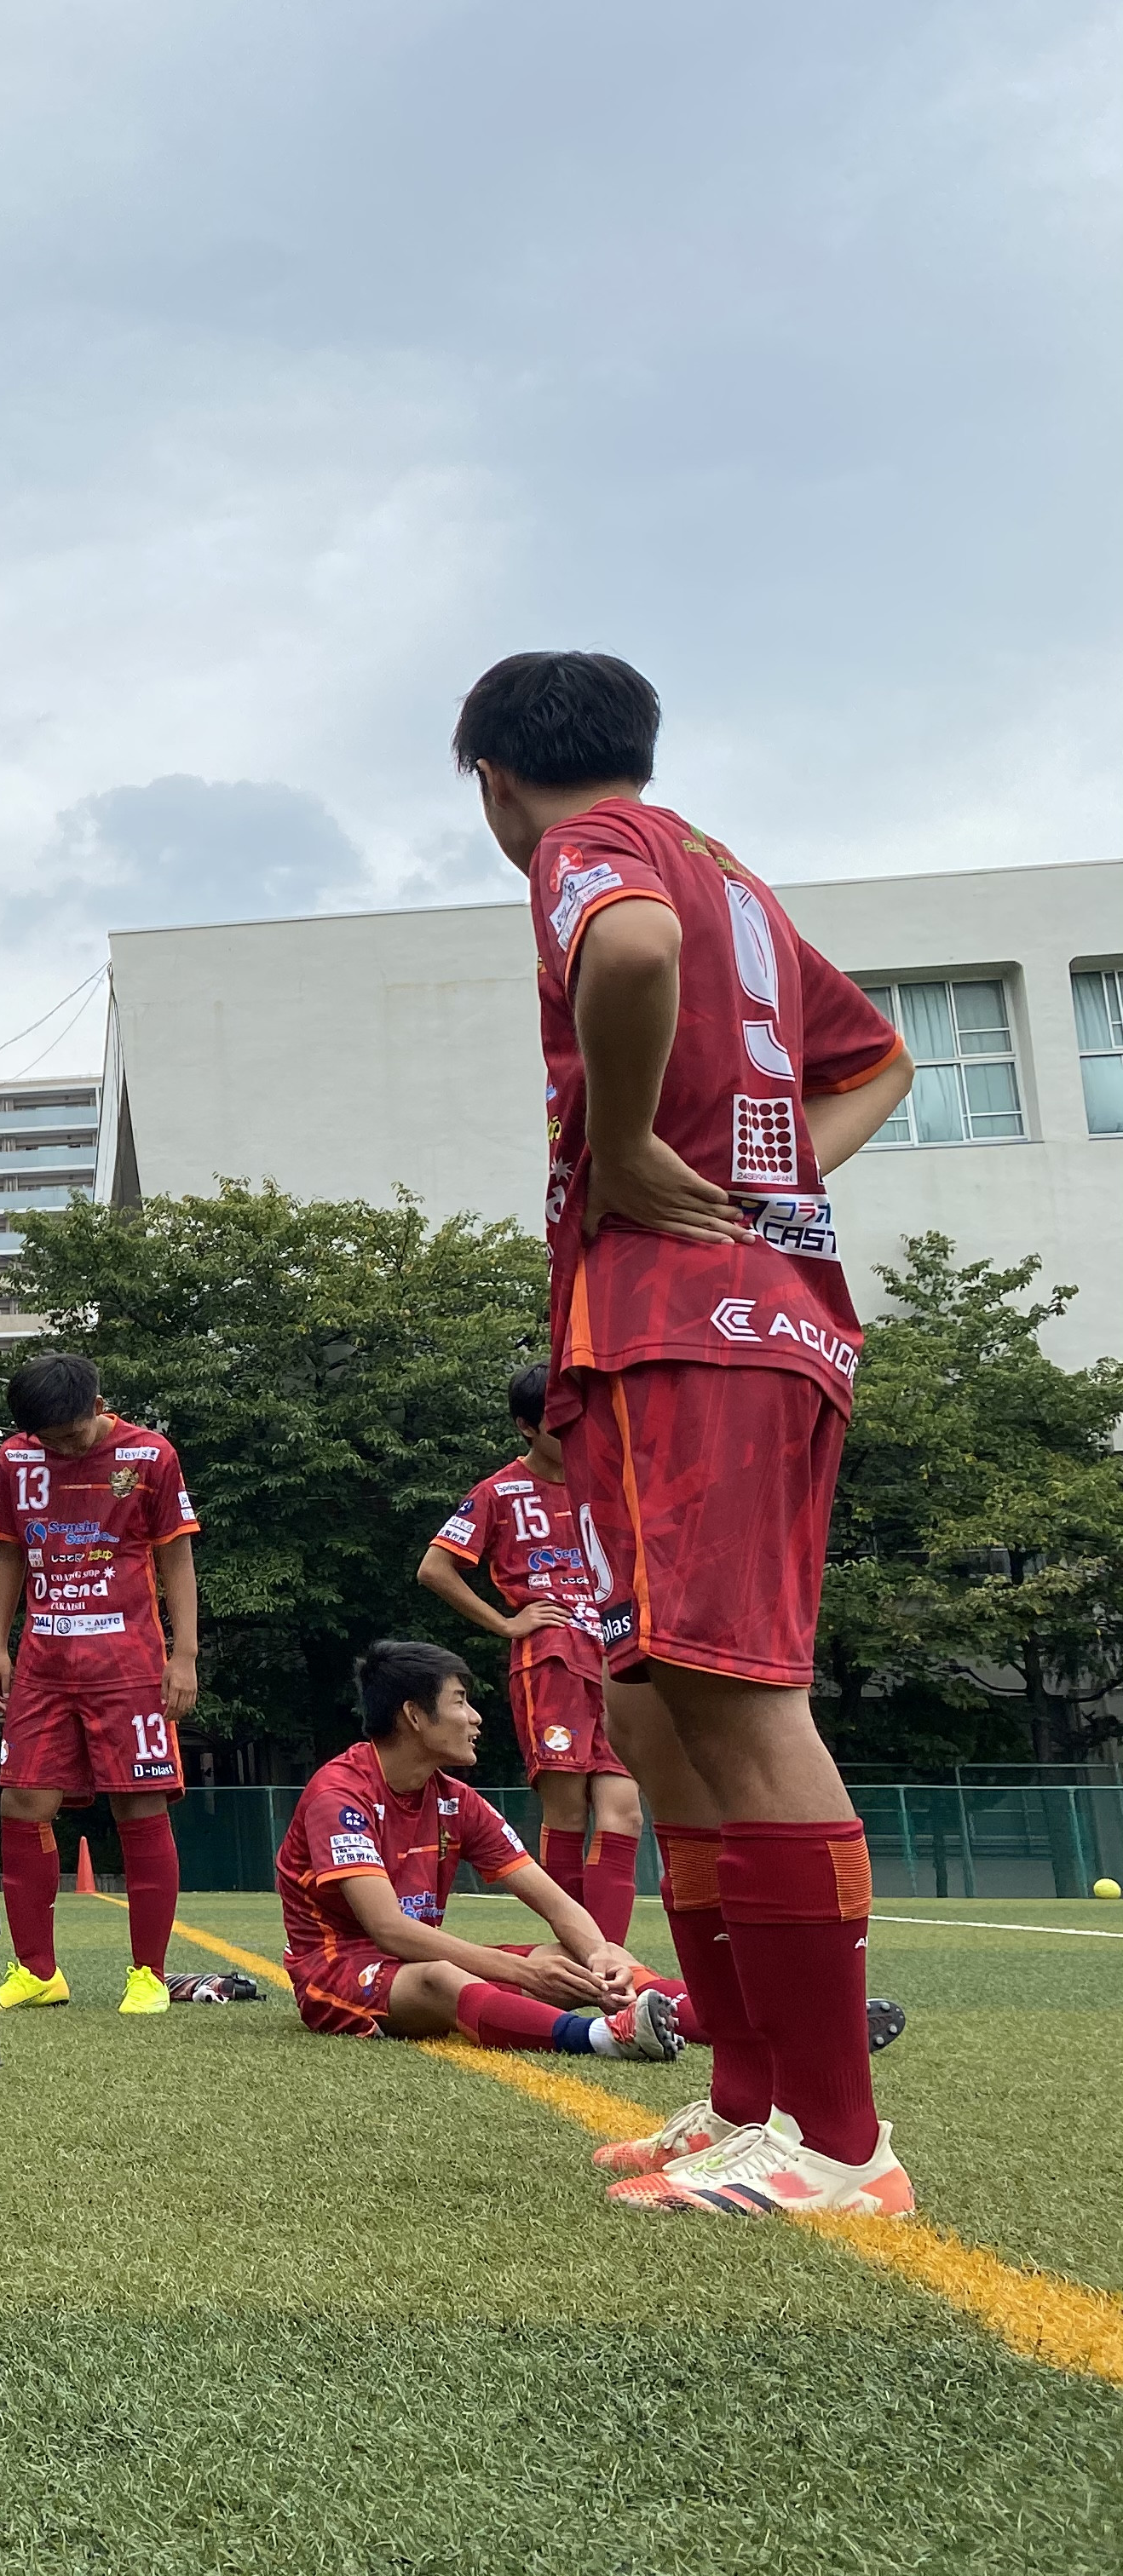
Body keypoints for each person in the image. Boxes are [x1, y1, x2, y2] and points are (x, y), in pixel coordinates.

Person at [461, 651, 916, 2217]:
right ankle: (746, 2099)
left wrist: (646, 1151)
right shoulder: (730, 871)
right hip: (734, 1315)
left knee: (728, 1691)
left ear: (491, 782)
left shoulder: (594, 855)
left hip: (688, 1323)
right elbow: (877, 1061)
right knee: (654, 1708)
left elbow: (633, 953)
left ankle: (843, 2144)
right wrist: (773, 1200)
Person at [277, 1641, 686, 2061]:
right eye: (460, 1701)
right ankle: (603, 2036)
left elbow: (555, 1902)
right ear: (414, 1716)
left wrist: (599, 1954)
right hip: (337, 1971)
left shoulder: (456, 1799)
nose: (475, 1717)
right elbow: (389, 1929)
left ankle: (712, 2019)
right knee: (441, 1977)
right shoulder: (340, 1795)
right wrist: (521, 1971)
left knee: (586, 1956)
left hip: (416, 1959)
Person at [0, 1352, 200, 2015]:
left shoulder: (151, 1456)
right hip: (44, 1662)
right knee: (22, 1803)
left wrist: (183, 1655)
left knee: (139, 1804)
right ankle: (39, 1971)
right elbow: (8, 1550)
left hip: (129, 1662)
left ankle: (149, 1976)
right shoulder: (16, 1460)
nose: (61, 1446)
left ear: (98, 1405)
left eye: (71, 1432)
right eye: (47, 1436)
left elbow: (177, 1553)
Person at [418, 1363, 640, 1941]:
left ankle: (610, 1962)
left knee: (626, 1814)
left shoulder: (613, 1482)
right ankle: (583, 1959)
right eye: (556, 1425)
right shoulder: (498, 1493)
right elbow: (434, 1568)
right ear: (525, 1427)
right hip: (553, 1663)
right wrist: (507, 1624)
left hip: (620, 1658)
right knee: (567, 1816)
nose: (574, 1436)